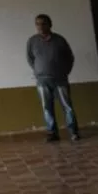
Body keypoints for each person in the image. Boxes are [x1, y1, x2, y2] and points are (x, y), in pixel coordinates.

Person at [26, 14, 79, 142]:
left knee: (67, 106)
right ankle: (52, 133)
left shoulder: (60, 40)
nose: (40, 26)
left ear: (50, 25)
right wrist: (39, 71)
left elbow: (69, 57)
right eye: (37, 24)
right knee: (47, 107)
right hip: (42, 81)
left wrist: (64, 72)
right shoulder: (32, 41)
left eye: (43, 23)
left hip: (60, 79)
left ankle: (73, 132)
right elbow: (30, 59)